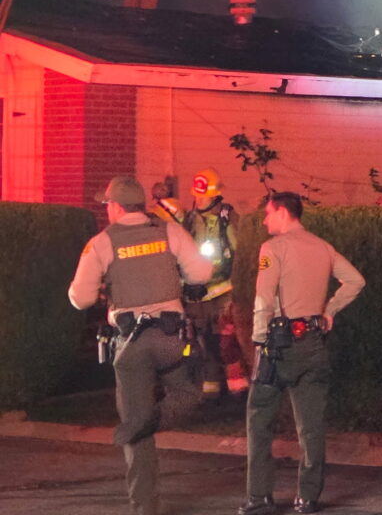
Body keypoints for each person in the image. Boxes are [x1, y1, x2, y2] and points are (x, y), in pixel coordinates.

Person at [68, 175, 212, 515]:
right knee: (189, 392)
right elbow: (201, 274)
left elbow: (81, 298)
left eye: (108, 205)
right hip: (170, 338)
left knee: (135, 423)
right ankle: (150, 420)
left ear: (116, 207)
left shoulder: (102, 243)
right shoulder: (170, 232)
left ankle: (145, 504)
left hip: (131, 345)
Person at [239, 191, 366, 515]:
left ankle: (259, 498)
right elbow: (355, 281)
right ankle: (308, 498)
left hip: (277, 345)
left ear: (283, 212)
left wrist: (258, 340)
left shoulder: (273, 248)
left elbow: (264, 297)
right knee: (311, 426)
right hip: (313, 343)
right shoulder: (323, 247)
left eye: (268, 213)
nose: (265, 220)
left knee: (259, 420)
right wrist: (328, 311)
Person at [183, 167, 246, 397]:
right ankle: (211, 385)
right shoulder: (189, 220)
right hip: (196, 293)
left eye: (204, 196)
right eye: (197, 195)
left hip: (222, 290)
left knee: (226, 340)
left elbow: (240, 254)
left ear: (216, 195)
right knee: (201, 339)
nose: (199, 200)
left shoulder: (227, 219)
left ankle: (237, 386)